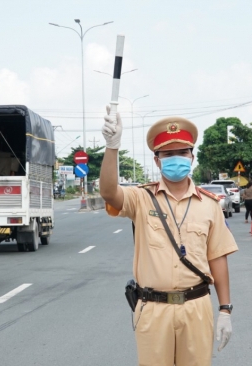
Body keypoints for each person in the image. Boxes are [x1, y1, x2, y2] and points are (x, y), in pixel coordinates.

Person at [100, 108, 238, 366]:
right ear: (157, 160)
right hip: (153, 309)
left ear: (192, 156)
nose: (177, 159)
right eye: (168, 154)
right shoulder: (141, 198)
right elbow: (109, 193)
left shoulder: (209, 204)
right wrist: (112, 146)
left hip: (196, 307)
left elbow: (218, 257)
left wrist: (225, 310)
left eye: (182, 152)